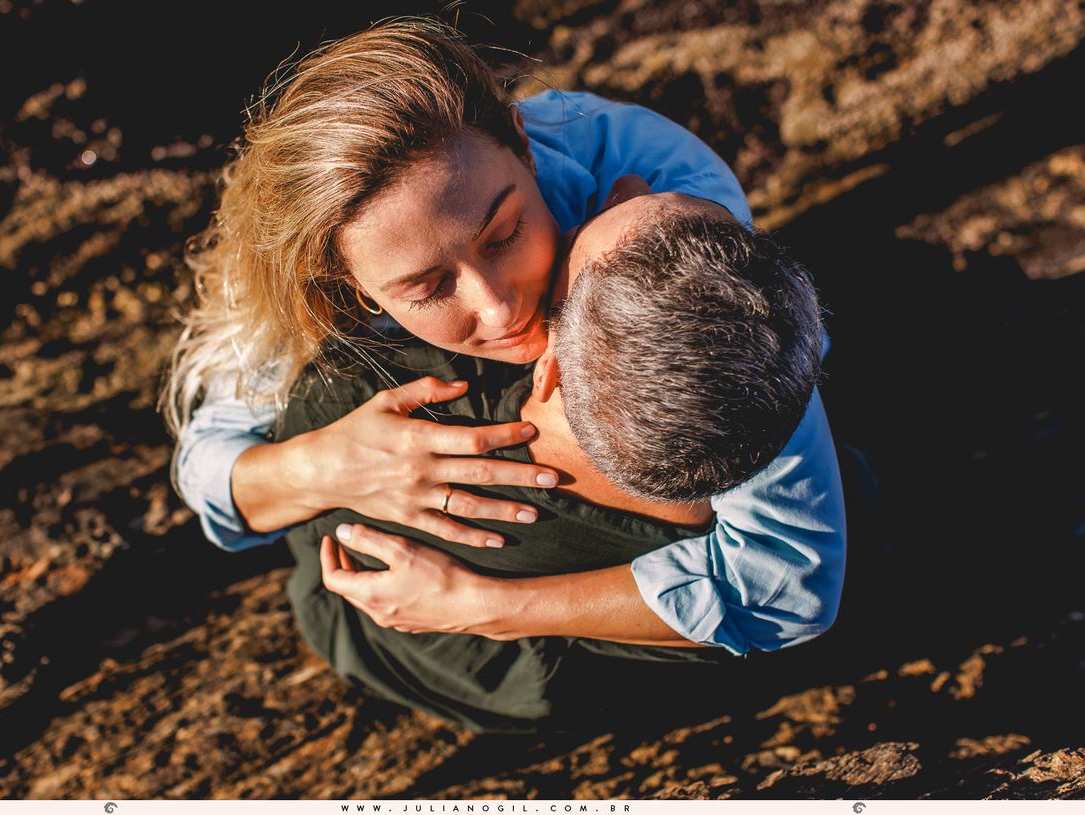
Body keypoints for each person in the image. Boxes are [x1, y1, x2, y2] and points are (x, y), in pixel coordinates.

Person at [166, 20, 846, 656]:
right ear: (345, 283)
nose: (496, 310)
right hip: (358, 602)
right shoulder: (315, 278)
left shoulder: (658, 220)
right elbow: (211, 471)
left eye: (504, 233)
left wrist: (480, 603)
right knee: (316, 409)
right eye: (427, 288)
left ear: (522, 144)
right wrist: (329, 467)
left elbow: (791, 576)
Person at [280, 188, 839, 731]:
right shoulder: (749, 416)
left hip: (369, 625)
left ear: (548, 366)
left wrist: (480, 604)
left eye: (573, 245)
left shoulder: (353, 397)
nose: (628, 186)